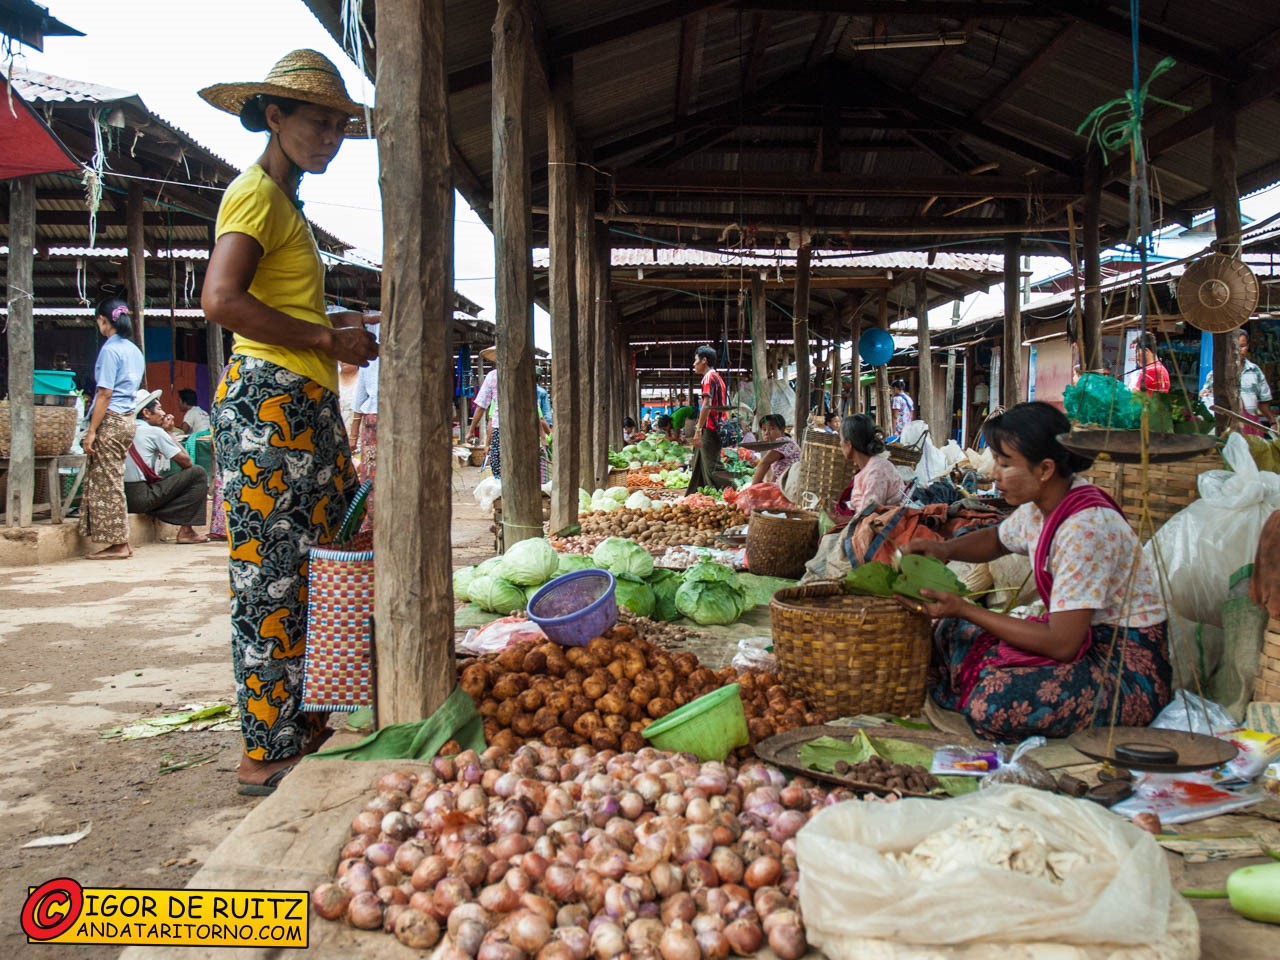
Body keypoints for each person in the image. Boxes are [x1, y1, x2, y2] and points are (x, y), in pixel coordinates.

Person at [199, 49, 378, 795]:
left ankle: (304, 729)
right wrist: (325, 339)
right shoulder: (256, 197)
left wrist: (327, 324)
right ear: (274, 117)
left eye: (340, 125)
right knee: (272, 581)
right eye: (317, 121)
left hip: (298, 403)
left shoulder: (288, 205)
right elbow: (221, 300)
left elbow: (276, 306)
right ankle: (265, 752)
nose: (330, 136)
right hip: (268, 406)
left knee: (321, 566)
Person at [901, 402, 1170, 741]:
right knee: (951, 630)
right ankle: (972, 685)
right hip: (1081, 643)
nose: (993, 474)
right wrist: (943, 549)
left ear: (1044, 469)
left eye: (1004, 464)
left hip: (1124, 669)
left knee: (993, 704)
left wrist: (964, 606)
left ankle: (974, 693)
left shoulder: (1084, 529)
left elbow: (1062, 645)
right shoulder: (1043, 507)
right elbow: (997, 541)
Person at [79, 297, 146, 560]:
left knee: (107, 481)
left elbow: (105, 392)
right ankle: (121, 541)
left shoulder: (109, 350)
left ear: (104, 320)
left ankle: (118, 543)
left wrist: (92, 430)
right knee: (112, 478)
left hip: (112, 417)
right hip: (128, 418)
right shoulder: (133, 350)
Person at [125, 392, 212, 543]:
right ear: (146, 413)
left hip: (123, 497)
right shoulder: (154, 432)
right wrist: (168, 432)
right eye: (159, 409)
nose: (164, 413)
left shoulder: (124, 430)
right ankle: (186, 531)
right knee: (198, 473)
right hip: (141, 498)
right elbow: (187, 463)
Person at [1201, 330, 1274, 434]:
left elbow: (1263, 402)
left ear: (1247, 346)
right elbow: (1205, 397)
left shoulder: (1255, 371)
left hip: (1250, 427)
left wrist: (1272, 422)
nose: (1238, 350)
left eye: (1242, 346)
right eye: (1234, 346)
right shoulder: (1216, 374)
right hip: (1225, 428)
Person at [687, 345, 736, 492]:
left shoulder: (708, 378)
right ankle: (696, 493)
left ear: (704, 360)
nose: (693, 364)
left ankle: (735, 491)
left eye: (695, 360)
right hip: (718, 425)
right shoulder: (718, 377)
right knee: (699, 460)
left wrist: (698, 429)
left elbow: (706, 405)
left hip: (711, 426)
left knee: (711, 466)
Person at [836, 414, 905, 517]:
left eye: (841, 439)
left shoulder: (877, 471)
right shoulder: (870, 468)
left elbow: (867, 514)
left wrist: (837, 519)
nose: (840, 444)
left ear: (849, 444)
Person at [350, 319, 381, 526]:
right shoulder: (370, 361)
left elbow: (358, 401)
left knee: (372, 478)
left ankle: (371, 524)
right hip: (375, 421)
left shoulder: (369, 357)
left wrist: (353, 436)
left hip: (374, 420)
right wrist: (352, 436)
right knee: (373, 478)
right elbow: (359, 400)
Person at [468, 364, 502, 477]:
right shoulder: (525, 373)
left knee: (498, 468)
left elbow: (481, 406)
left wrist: (471, 430)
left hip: (499, 428)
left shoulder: (493, 376)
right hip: (523, 428)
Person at [750, 414, 802, 486]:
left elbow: (764, 463)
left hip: (790, 486)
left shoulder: (784, 442)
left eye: (772, 429)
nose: (766, 433)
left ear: (782, 429)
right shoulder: (775, 445)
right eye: (764, 429)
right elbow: (775, 473)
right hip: (784, 483)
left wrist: (752, 487)